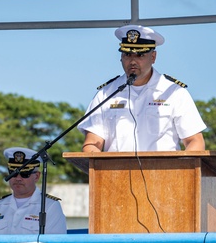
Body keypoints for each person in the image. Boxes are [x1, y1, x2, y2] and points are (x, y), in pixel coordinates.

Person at [78, 25, 206, 153]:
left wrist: (182, 170)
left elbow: (195, 141)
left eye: (140, 55)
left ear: (153, 57)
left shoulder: (174, 93)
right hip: (116, 172)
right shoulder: (106, 94)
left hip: (163, 171)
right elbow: (92, 143)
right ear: (121, 57)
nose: (133, 61)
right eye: (127, 54)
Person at [0, 147, 67, 235]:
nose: (18, 178)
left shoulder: (49, 206)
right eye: (14, 173)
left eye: (25, 174)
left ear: (36, 176)